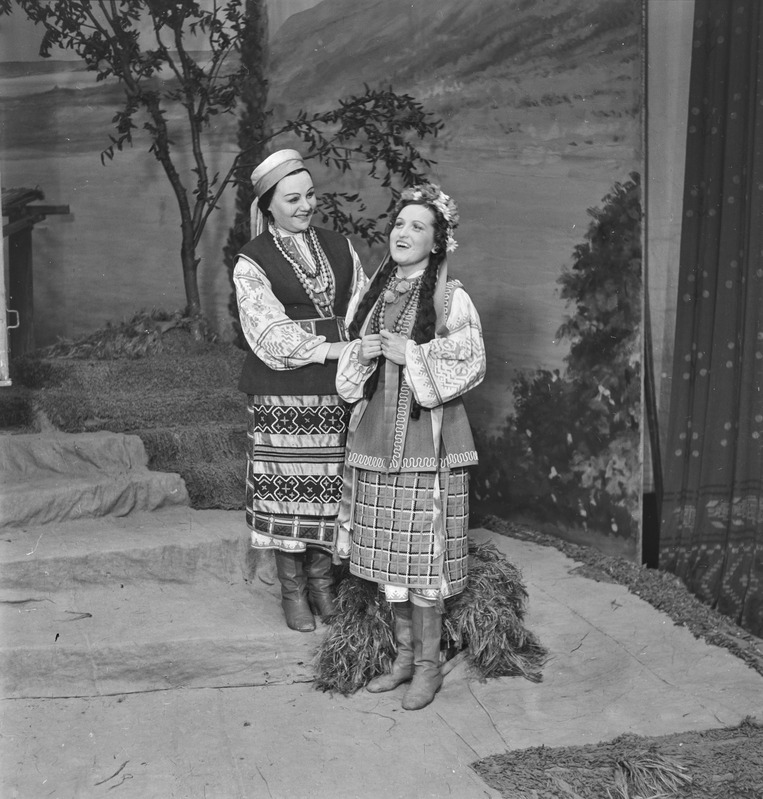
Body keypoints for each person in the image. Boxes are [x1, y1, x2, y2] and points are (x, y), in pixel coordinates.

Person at [335, 181, 486, 709]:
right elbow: (352, 370)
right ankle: (403, 658)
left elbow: (471, 359)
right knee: (391, 561)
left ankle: (428, 666)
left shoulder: (450, 297)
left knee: (424, 560)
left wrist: (412, 354)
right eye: (400, 223)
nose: (403, 232)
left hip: (429, 444)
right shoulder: (375, 293)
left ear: (438, 241)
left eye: (418, 226)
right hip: (378, 440)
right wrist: (367, 352)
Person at [233, 149, 367, 633]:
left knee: (330, 490)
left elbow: (360, 306)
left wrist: (363, 347)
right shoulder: (253, 260)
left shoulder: (339, 245)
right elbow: (267, 330)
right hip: (282, 390)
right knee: (287, 492)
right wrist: (332, 351)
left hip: (338, 389)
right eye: (293, 199)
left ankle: (322, 585)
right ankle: (292, 593)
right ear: (268, 205)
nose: (306, 205)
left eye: (310, 195)